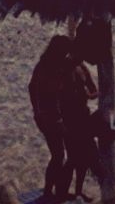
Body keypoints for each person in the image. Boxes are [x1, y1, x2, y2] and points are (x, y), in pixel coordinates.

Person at [29, 36, 73, 201]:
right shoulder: (47, 68)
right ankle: (49, 191)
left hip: (50, 116)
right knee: (58, 155)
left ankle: (57, 190)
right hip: (49, 117)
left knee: (61, 155)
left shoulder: (52, 65)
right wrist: (40, 113)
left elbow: (32, 88)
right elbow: (40, 92)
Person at [57, 52, 99, 201]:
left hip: (83, 117)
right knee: (73, 158)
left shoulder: (82, 67)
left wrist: (88, 95)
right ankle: (61, 192)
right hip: (69, 120)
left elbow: (94, 91)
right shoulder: (62, 69)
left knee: (84, 159)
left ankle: (78, 192)